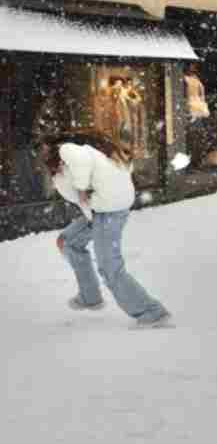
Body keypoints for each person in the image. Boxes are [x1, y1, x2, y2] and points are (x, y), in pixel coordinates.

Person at [41, 131, 172, 328]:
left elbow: (79, 178)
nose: (40, 153)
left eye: (41, 148)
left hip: (107, 211)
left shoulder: (68, 150)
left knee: (110, 268)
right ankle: (90, 297)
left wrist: (82, 188)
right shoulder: (88, 156)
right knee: (69, 242)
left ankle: (151, 312)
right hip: (102, 208)